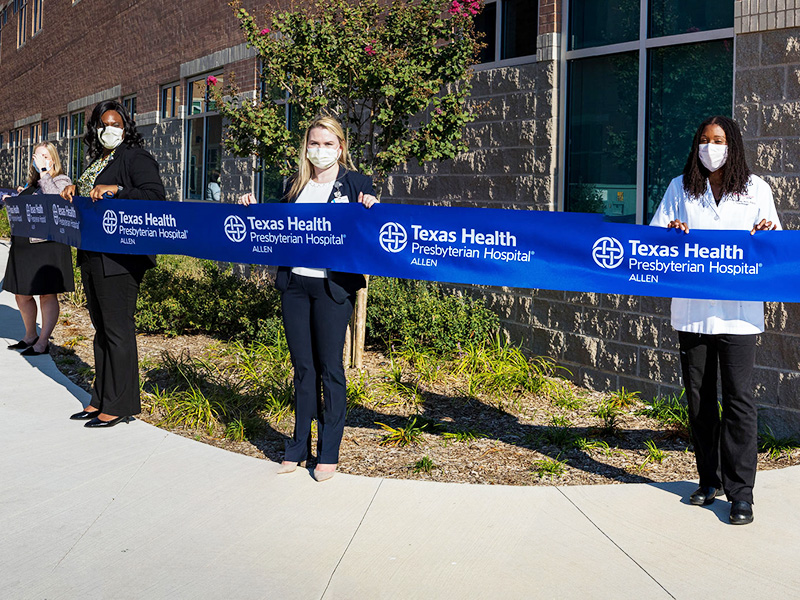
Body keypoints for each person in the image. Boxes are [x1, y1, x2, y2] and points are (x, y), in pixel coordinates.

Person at [650, 115, 780, 525]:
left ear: (732, 144)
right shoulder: (680, 187)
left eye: (718, 139)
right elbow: (653, 240)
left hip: (739, 316)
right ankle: (710, 480)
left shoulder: (756, 189)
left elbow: (775, 242)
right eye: (704, 139)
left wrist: (766, 231)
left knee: (740, 402)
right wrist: (670, 231)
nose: (711, 146)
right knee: (700, 400)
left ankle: (741, 494)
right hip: (693, 312)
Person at [240, 115, 378, 481]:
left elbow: (372, 225)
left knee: (329, 368)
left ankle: (328, 452)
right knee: (303, 369)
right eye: (314, 144)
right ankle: (298, 445)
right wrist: (251, 205)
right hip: (296, 285)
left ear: (341, 148)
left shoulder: (357, 184)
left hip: (333, 289)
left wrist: (371, 204)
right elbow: (272, 220)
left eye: (328, 144)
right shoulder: (292, 184)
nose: (320, 151)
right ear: (306, 147)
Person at [61, 100, 166, 428]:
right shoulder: (98, 160)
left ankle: (120, 405)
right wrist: (74, 190)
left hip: (120, 258)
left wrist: (117, 190)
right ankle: (101, 398)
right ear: (95, 129)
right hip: (93, 255)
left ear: (126, 127)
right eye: (104, 124)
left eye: (116, 124)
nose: (110, 130)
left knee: (118, 331)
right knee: (101, 331)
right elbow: (92, 198)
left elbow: (155, 197)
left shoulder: (135, 156)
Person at [3, 142, 74, 356]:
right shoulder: (29, 184)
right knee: (21, 293)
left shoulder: (62, 180)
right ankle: (30, 335)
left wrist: (44, 172)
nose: (39, 159)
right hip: (24, 246)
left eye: (44, 156)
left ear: (52, 158)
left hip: (47, 246)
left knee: (46, 293)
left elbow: (54, 201)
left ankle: (43, 342)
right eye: (36, 156)